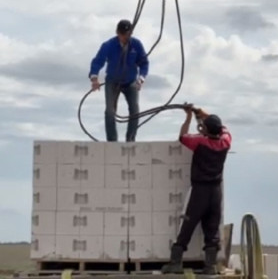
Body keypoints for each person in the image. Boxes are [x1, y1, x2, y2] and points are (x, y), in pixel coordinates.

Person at [161, 106, 232, 275]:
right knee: (212, 228)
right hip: (215, 192)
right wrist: (202, 113)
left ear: (206, 130)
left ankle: (175, 262)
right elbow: (224, 128)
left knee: (188, 224)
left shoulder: (200, 142)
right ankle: (210, 266)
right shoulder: (225, 142)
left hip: (200, 190)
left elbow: (182, 137)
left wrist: (188, 117)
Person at [88, 19, 149, 142]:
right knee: (110, 111)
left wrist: (141, 78)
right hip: (112, 81)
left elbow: (144, 63)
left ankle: (130, 139)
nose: (125, 38)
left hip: (131, 82)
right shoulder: (108, 45)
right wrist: (94, 78)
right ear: (117, 33)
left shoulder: (136, 45)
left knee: (135, 109)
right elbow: (97, 61)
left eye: (128, 35)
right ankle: (112, 141)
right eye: (123, 35)